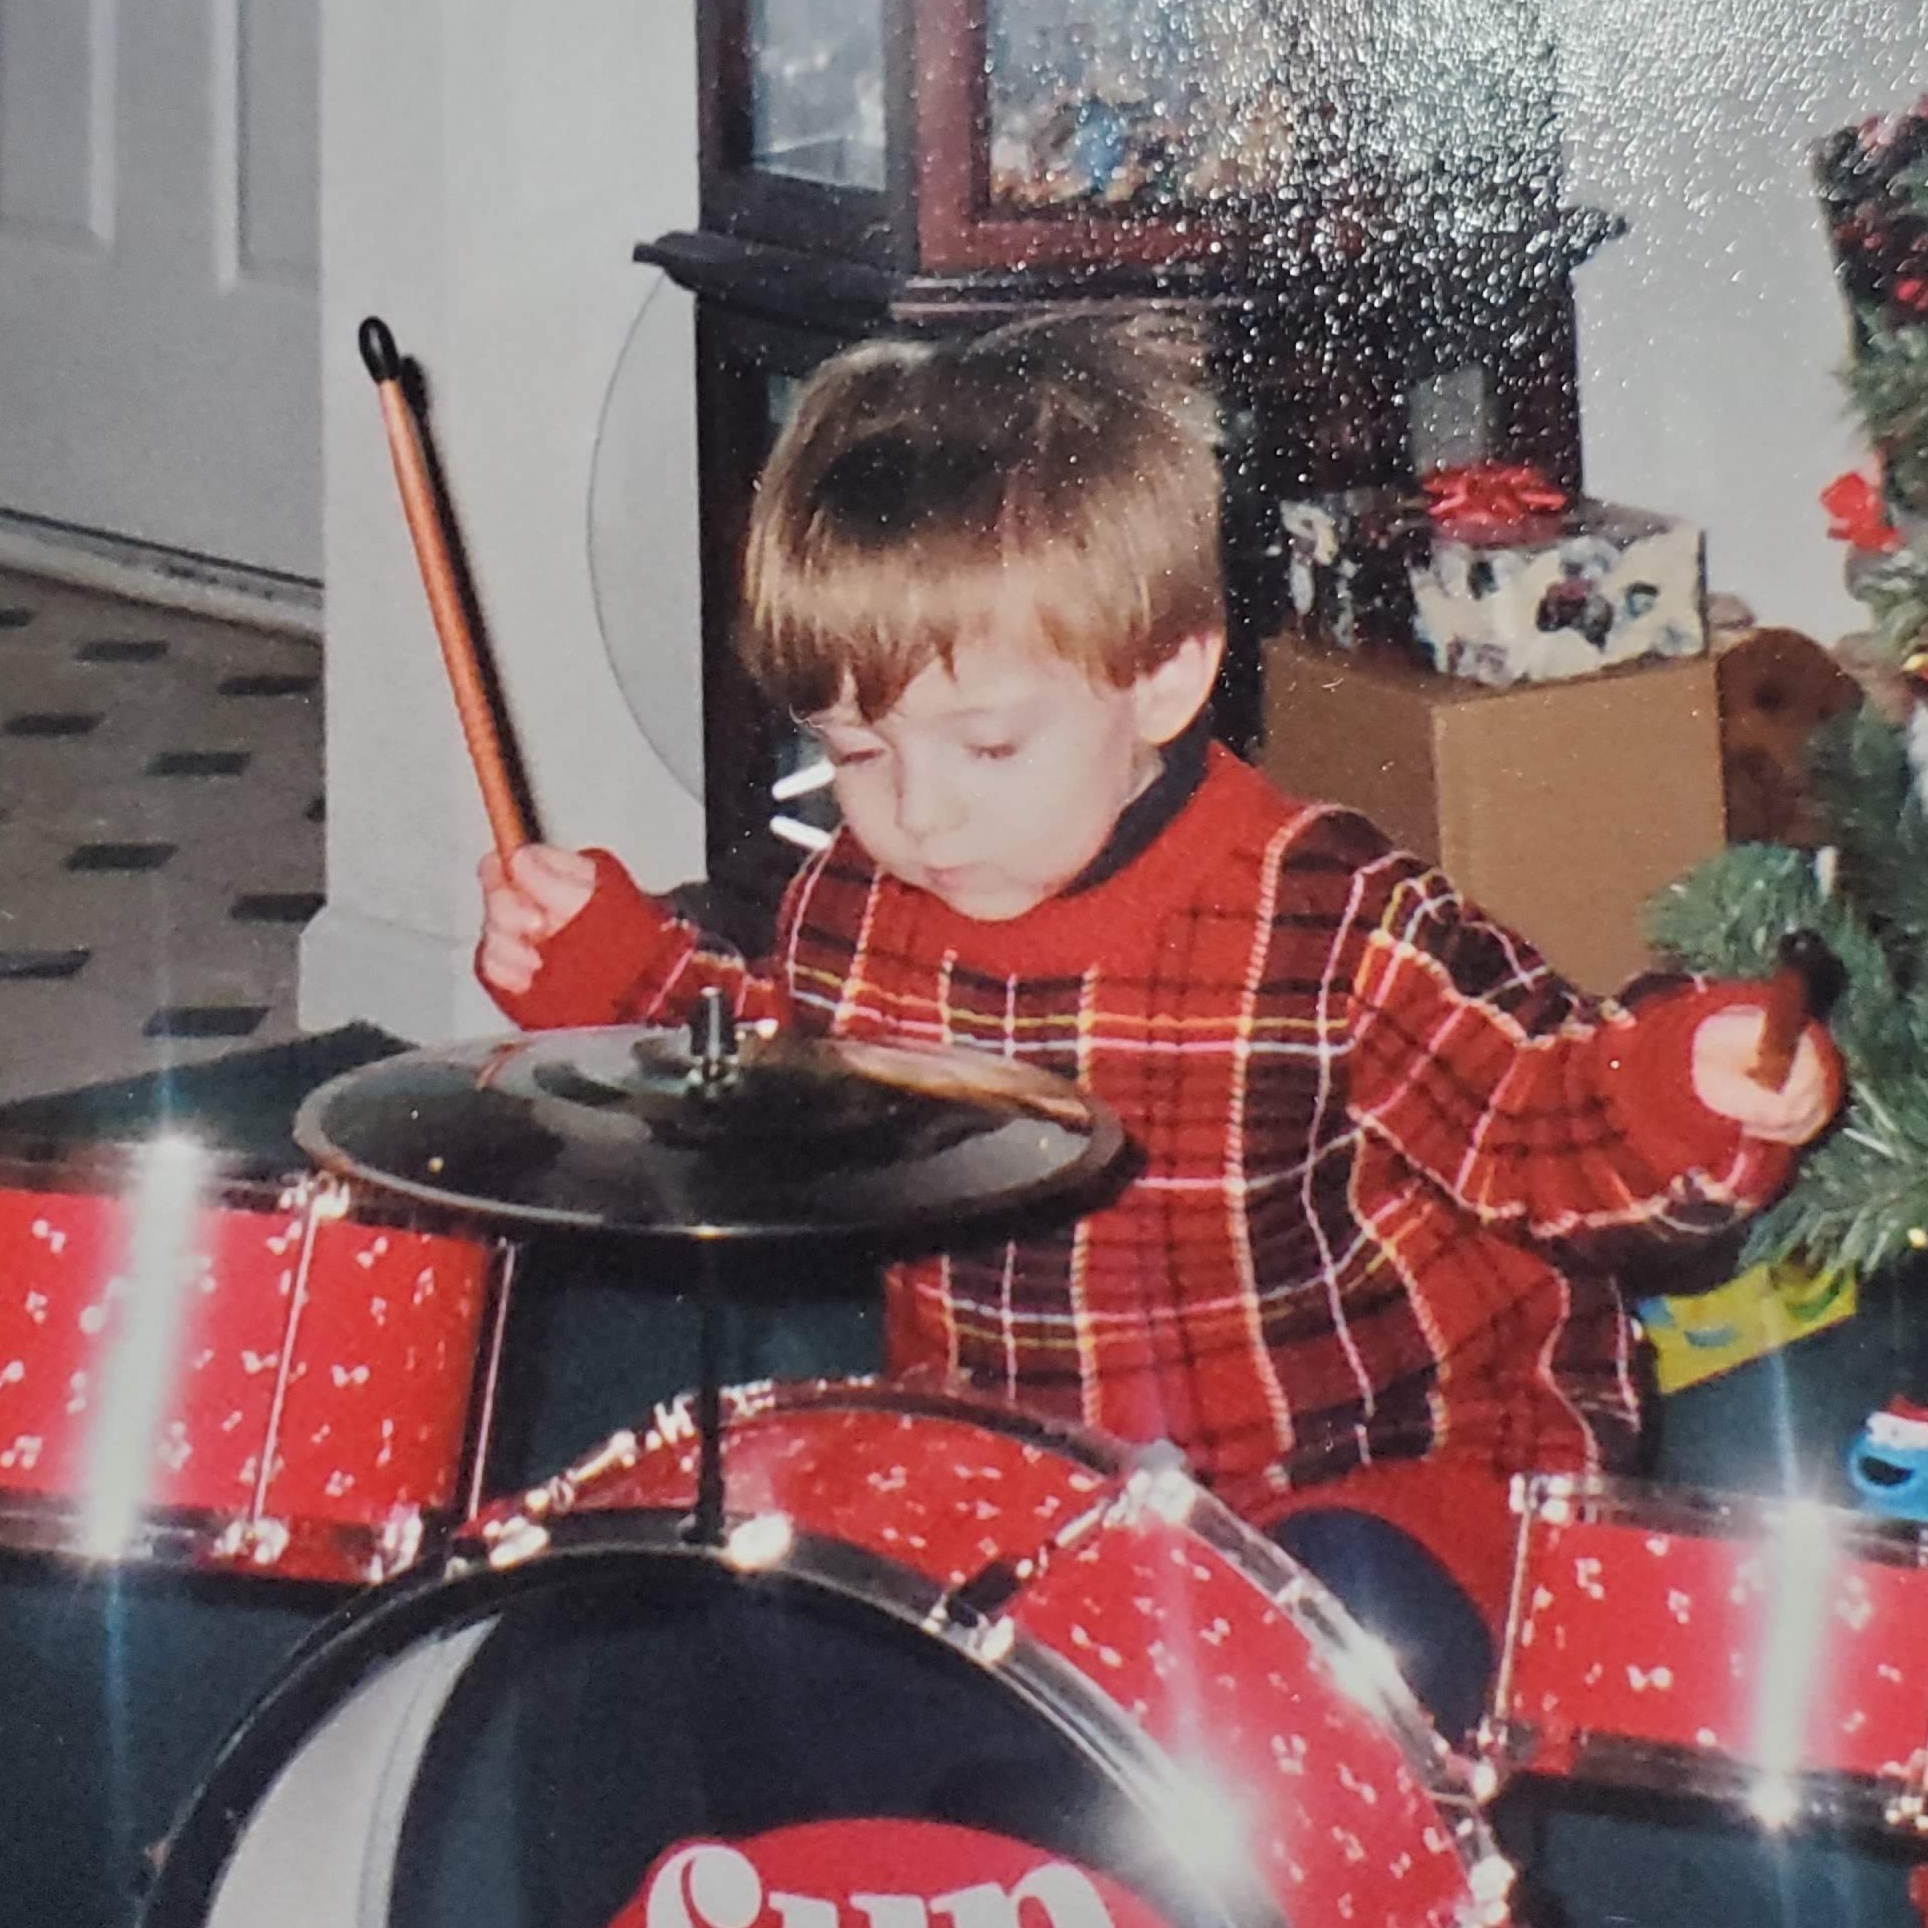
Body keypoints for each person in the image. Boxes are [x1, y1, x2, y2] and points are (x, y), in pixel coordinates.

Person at [476, 312, 1839, 1741]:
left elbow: (1543, 1117)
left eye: (988, 745)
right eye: (856, 753)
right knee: (764, 1649)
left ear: (1165, 680)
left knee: (1315, 1674)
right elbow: (774, 1097)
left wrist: (1688, 1083)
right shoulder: (853, 907)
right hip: (1032, 1461)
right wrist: (614, 977)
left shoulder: (1329, 914)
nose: (920, 813)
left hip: (1371, 1463)